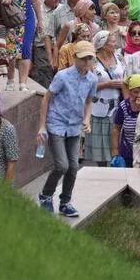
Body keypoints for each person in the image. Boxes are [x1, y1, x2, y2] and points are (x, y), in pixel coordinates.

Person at [37, 41, 98, 217]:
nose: (87, 63)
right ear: (74, 58)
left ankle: (65, 201)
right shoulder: (62, 76)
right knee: (61, 165)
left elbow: (89, 101)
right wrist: (42, 127)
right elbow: (46, 99)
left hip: (74, 127)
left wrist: (87, 119)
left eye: (89, 59)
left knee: (73, 166)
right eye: (83, 59)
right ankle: (46, 195)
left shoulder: (92, 79)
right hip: (56, 123)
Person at [4, 0, 43, 92]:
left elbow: (35, 0)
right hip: (9, 18)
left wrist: (40, 20)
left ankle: (23, 82)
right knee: (11, 50)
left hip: (27, 17)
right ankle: (10, 80)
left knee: (26, 48)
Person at [87, 31, 125, 166]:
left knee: (117, 143)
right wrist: (107, 84)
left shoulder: (119, 57)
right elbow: (86, 86)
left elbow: (126, 76)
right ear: (103, 44)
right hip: (99, 108)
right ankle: (103, 172)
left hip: (117, 106)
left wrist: (123, 84)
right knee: (101, 146)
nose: (115, 44)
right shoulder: (92, 60)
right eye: (112, 42)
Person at [111, 74, 140, 168]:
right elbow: (116, 129)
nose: (139, 95)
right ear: (130, 91)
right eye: (135, 92)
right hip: (128, 151)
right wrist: (116, 152)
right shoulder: (124, 105)